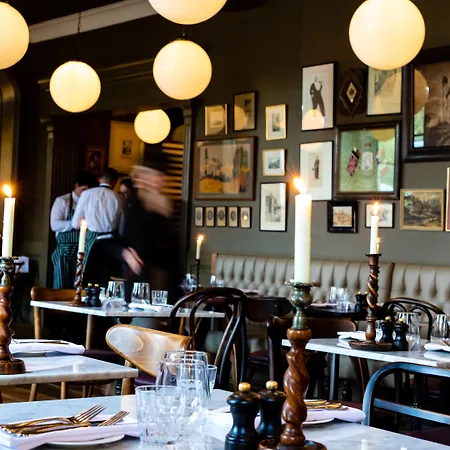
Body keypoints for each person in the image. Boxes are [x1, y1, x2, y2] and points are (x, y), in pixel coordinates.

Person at [71, 167, 124, 285]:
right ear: (114, 182)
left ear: (100, 179)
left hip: (90, 243)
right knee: (105, 282)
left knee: (86, 281)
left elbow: (75, 223)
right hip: (111, 245)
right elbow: (122, 229)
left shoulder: (86, 194)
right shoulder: (118, 198)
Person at [50, 171, 98, 288]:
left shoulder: (90, 204)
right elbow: (54, 225)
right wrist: (75, 223)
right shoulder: (62, 201)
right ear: (76, 186)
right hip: (64, 254)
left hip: (82, 253)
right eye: (83, 190)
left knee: (79, 288)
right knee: (61, 289)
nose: (86, 194)